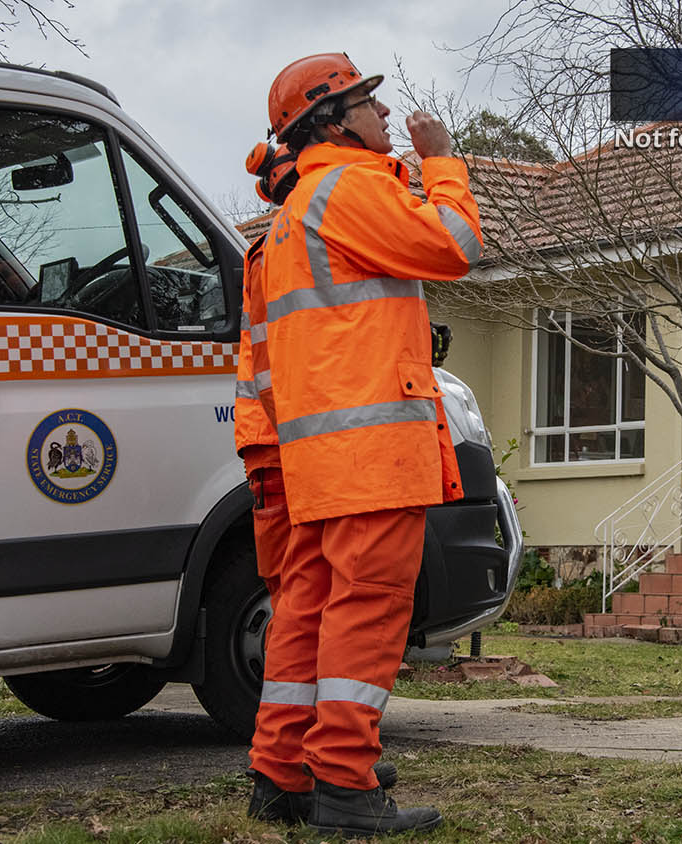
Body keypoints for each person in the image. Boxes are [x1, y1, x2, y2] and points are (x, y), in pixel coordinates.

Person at [249, 52, 482, 837]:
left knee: (307, 611)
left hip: (316, 454)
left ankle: (282, 773)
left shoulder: (290, 215)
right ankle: (346, 786)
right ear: (328, 119)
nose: (383, 114)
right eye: (365, 102)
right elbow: (452, 244)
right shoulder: (347, 187)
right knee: (367, 612)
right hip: (370, 453)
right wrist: (444, 162)